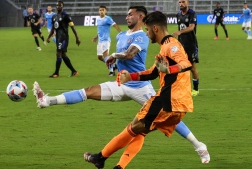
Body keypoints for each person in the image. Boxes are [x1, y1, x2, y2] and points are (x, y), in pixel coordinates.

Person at [34, 5, 210, 165]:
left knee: (158, 119)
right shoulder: (122, 35)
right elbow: (151, 71)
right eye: (126, 14)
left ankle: (198, 145)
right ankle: (47, 101)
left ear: (142, 18)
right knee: (90, 92)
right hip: (124, 82)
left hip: (143, 88)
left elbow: (130, 55)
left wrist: (115, 56)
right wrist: (127, 73)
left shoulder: (145, 37)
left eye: (130, 14)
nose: (127, 17)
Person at [84, 11, 201, 169]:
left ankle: (100, 157)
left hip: (168, 100)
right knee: (140, 131)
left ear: (155, 29)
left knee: (134, 127)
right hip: (179, 104)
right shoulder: (165, 47)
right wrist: (130, 77)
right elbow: (152, 73)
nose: (146, 33)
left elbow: (186, 64)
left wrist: (169, 70)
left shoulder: (171, 45)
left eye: (147, 30)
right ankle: (114, 164)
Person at [46, 1, 80, 78]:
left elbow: (72, 27)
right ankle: (74, 71)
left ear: (62, 6)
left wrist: (77, 38)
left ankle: (56, 73)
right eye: (57, 5)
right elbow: (53, 28)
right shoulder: (54, 16)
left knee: (58, 53)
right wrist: (48, 37)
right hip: (58, 37)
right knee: (63, 54)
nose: (58, 6)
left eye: (60, 5)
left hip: (64, 37)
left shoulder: (65, 16)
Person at [173, 0, 200, 96]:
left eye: (183, 2)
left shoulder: (192, 13)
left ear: (187, 2)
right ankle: (181, 87)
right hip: (181, 45)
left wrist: (180, 32)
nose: (181, 4)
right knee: (180, 66)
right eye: (179, 2)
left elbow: (191, 27)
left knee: (192, 67)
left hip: (191, 44)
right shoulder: (178, 15)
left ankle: (196, 89)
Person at [93, 5, 121, 76]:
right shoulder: (98, 19)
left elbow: (115, 25)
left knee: (105, 55)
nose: (101, 11)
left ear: (106, 11)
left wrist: (121, 34)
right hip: (100, 41)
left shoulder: (108, 18)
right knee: (99, 57)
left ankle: (111, 71)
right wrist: (96, 37)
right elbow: (100, 30)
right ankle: (113, 65)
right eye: (100, 10)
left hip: (106, 40)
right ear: (98, 11)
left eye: (103, 10)